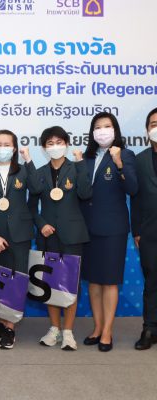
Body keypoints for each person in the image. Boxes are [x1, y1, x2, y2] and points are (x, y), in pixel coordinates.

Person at [28, 126, 92, 351]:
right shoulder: (40, 173)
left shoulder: (76, 168)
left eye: (59, 142)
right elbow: (31, 206)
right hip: (48, 236)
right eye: (50, 143)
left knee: (70, 284)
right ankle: (54, 328)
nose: (55, 146)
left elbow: (85, 193)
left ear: (66, 143)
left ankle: (68, 332)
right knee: (50, 283)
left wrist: (81, 163)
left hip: (73, 235)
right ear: (44, 148)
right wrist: (41, 224)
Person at [0, 129, 40, 349]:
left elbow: (38, 188)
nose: (2, 148)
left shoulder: (23, 171)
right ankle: (1, 324)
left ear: (14, 149)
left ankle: (10, 328)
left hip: (19, 236)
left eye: (7, 145)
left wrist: (28, 160)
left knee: (15, 282)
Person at [81, 112, 137, 352]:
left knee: (110, 281)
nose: (102, 130)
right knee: (93, 281)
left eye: (107, 126)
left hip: (113, 228)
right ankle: (97, 327)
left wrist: (119, 163)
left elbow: (133, 188)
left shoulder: (125, 154)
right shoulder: (86, 158)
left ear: (115, 130)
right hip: (88, 228)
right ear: (92, 132)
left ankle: (107, 331)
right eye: (97, 127)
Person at [131, 107, 157, 350]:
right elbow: (136, 199)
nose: (156, 127)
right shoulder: (140, 160)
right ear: (147, 130)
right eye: (153, 124)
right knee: (152, 282)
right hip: (150, 233)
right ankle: (150, 328)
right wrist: (136, 231)